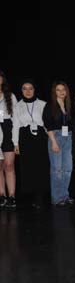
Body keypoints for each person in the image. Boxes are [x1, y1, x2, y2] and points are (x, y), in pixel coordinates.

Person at [12, 80, 49, 209]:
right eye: (25, 88)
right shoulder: (17, 106)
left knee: (41, 165)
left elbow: (47, 124)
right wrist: (15, 143)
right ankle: (31, 192)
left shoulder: (43, 104)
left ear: (34, 90)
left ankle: (40, 195)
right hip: (25, 137)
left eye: (30, 88)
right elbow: (15, 125)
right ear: (21, 90)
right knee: (28, 166)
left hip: (40, 137)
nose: (28, 91)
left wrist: (51, 139)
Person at [43, 81, 74, 206]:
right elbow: (48, 124)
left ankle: (65, 195)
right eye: (58, 90)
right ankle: (57, 198)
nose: (61, 92)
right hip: (55, 137)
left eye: (63, 89)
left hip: (68, 137)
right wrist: (53, 142)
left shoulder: (68, 105)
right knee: (57, 169)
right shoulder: (50, 105)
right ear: (54, 92)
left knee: (68, 168)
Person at [0, 71, 18, 208]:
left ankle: (11, 195)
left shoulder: (10, 96)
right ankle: (2, 195)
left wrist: (16, 140)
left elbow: (16, 118)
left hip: (8, 130)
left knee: (9, 165)